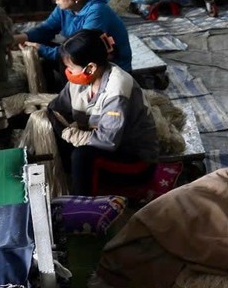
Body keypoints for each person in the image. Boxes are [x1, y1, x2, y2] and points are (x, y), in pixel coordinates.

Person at [49, 28, 160, 195]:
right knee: (54, 136)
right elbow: (56, 108)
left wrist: (72, 134)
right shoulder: (81, 81)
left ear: (91, 68)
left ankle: (84, 211)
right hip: (107, 147)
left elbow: (108, 141)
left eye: (71, 68)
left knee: (81, 156)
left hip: (135, 159)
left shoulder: (117, 88)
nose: (68, 72)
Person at [20, 0, 131, 76]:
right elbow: (47, 29)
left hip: (112, 68)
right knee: (44, 46)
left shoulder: (97, 12)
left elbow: (81, 51)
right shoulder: (65, 8)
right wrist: (21, 38)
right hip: (84, 56)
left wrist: (42, 49)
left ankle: (69, 90)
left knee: (65, 58)